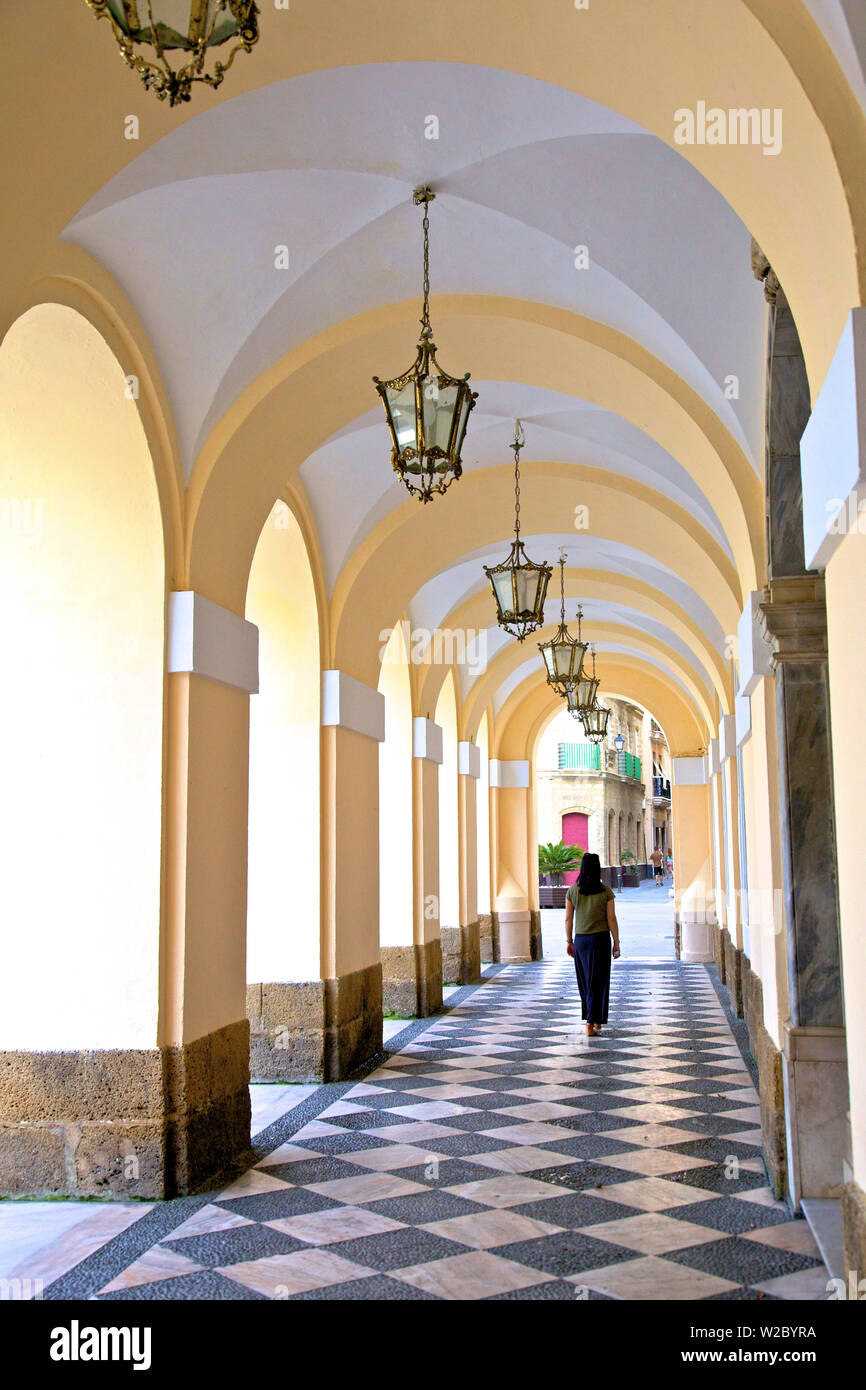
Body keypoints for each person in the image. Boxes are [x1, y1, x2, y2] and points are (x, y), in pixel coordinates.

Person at [565, 852, 621, 1036]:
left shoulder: (573, 891)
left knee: (586, 981)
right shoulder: (606, 891)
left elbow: (568, 919)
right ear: (597, 869)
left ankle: (590, 1021)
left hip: (582, 941)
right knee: (600, 980)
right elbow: (611, 918)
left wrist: (569, 941)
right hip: (601, 939)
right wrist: (616, 943)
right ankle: (595, 1021)